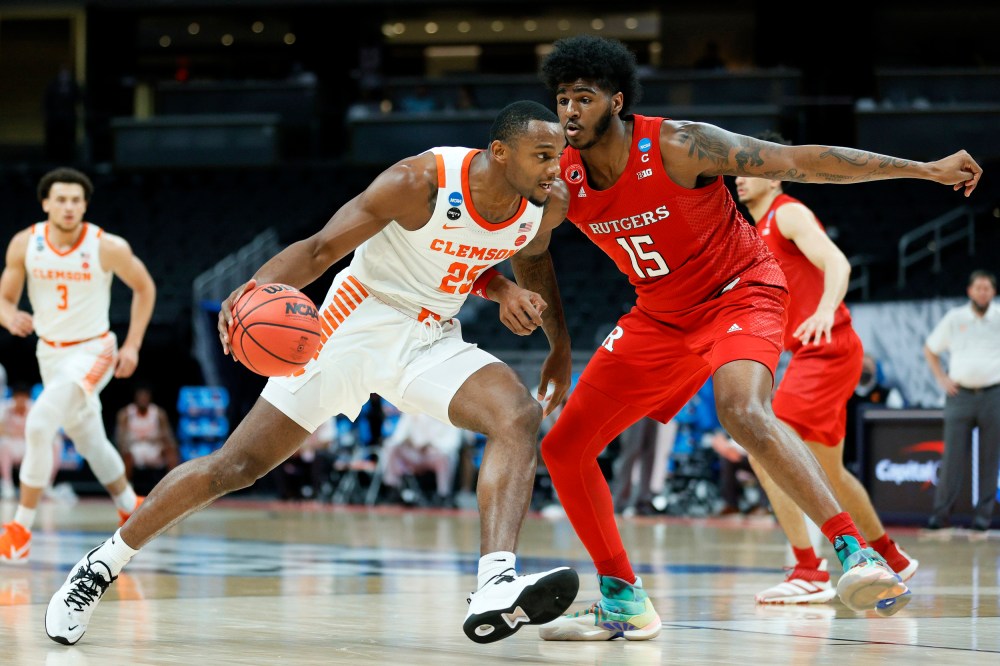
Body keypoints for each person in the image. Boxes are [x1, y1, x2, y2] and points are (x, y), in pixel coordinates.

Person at [491, 34, 980, 640]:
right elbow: (533, 253)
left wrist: (920, 169)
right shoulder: (560, 180)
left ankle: (854, 552)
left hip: (740, 292)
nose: (568, 112)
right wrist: (558, 346)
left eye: (583, 98)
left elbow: (801, 161)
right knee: (563, 448)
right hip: (660, 316)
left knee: (741, 408)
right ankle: (622, 598)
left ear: (616, 101)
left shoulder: (677, 144)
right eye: (562, 98)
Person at [45, 101, 580, 646]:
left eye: (559, 155)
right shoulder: (418, 181)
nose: (556, 168)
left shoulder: (545, 202)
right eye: (543, 155)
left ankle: (494, 582)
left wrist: (545, 330)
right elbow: (322, 249)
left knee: (516, 414)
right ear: (499, 153)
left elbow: (521, 256)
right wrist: (251, 287)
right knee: (236, 465)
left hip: (429, 336)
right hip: (353, 323)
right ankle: (100, 565)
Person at [734, 131, 918, 605]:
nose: (738, 178)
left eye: (750, 169)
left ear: (774, 174)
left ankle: (808, 569)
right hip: (816, 352)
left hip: (828, 345)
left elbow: (837, 263)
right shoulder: (749, 232)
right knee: (830, 475)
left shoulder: (788, 212)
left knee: (762, 444)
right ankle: (891, 557)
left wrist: (825, 308)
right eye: (735, 170)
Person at [0, 167, 155, 564]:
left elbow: (144, 287)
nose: (69, 206)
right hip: (50, 353)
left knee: (39, 424)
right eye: (61, 199)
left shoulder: (107, 246)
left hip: (94, 350)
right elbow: (5, 298)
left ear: (85, 205)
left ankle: (19, 529)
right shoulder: (25, 244)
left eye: (76, 200)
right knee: (88, 438)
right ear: (46, 203)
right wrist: (8, 315)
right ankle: (129, 504)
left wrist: (133, 345)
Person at [923, 269, 1000, 536]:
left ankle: (983, 519)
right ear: (969, 291)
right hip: (960, 396)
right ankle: (940, 515)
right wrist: (942, 378)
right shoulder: (956, 318)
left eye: (987, 288)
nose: (982, 292)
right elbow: (930, 348)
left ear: (994, 292)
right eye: (978, 287)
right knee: (952, 457)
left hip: (994, 394)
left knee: (991, 459)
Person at [380, 411, 463, 506]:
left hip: (436, 455)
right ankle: (393, 488)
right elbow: (397, 437)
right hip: (415, 455)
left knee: (444, 459)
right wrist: (408, 443)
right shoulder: (413, 409)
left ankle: (443, 496)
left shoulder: (449, 413)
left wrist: (431, 445)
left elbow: (453, 443)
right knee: (391, 448)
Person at [115, 386, 179, 496]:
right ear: (136, 399)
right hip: (135, 448)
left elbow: (168, 436)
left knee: (170, 450)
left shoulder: (158, 413)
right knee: (127, 453)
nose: (143, 400)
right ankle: (125, 490)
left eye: (145, 397)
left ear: (149, 398)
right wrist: (125, 445)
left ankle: (172, 487)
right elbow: (120, 437)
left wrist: (163, 441)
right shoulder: (126, 413)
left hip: (153, 447)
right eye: (140, 398)